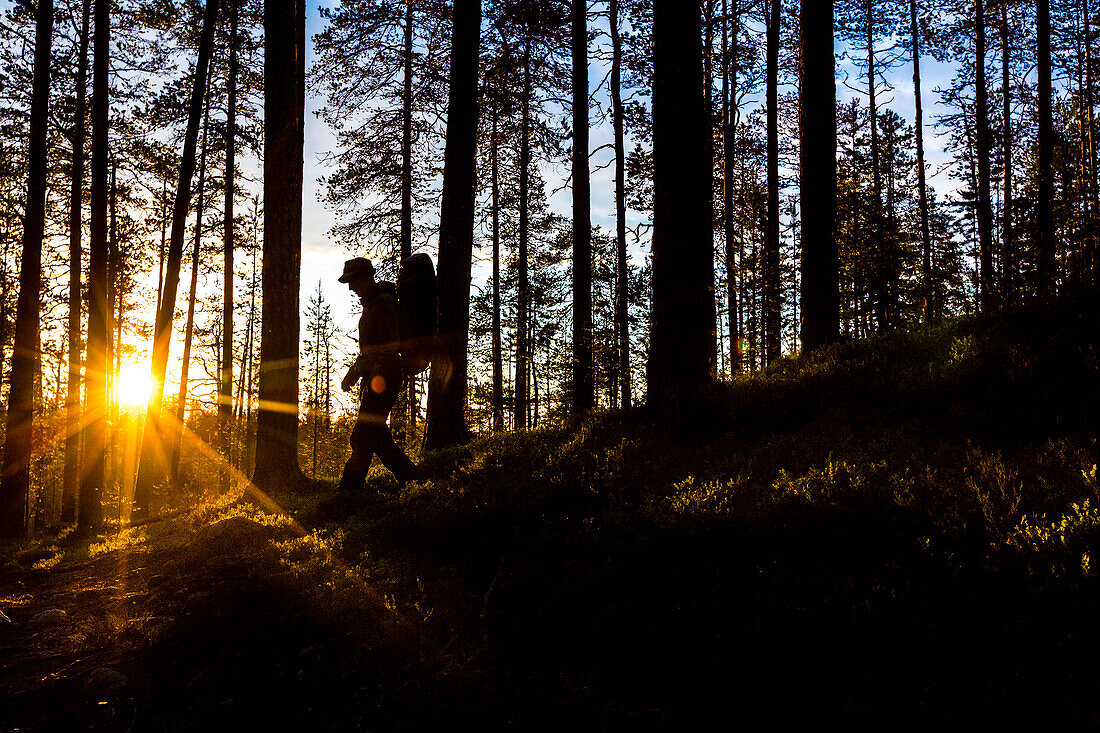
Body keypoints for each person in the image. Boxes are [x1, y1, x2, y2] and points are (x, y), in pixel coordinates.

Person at [337, 257, 419, 493]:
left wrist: (357, 371)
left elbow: (387, 349)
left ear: (366, 277)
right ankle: (414, 480)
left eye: (352, 281)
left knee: (362, 436)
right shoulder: (372, 304)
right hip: (377, 379)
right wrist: (357, 372)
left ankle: (349, 493)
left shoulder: (383, 303)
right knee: (378, 437)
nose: (351, 288)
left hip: (386, 378)